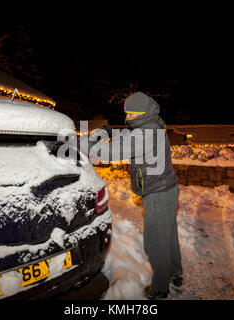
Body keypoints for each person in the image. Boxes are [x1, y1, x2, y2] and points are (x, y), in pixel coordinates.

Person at [88, 92, 183, 299]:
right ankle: (176, 274)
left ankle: (160, 288)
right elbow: (129, 136)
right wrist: (110, 131)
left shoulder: (146, 133)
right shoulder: (151, 125)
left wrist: (83, 145)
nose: (128, 117)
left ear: (142, 113)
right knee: (168, 236)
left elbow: (115, 150)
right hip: (167, 189)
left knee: (155, 242)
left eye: (132, 113)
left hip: (158, 193)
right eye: (127, 113)